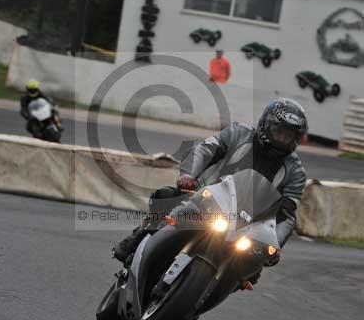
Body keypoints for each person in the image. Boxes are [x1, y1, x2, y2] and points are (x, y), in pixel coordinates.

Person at [114, 98, 308, 280]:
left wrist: (276, 245)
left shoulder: (295, 172)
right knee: (167, 195)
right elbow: (205, 150)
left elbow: (287, 215)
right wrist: (187, 176)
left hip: (247, 226)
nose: (282, 138)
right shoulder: (239, 133)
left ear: (296, 139)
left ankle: (195, 305)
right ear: (266, 124)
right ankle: (136, 240)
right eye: (278, 131)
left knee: (253, 271)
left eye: (288, 135)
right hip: (205, 199)